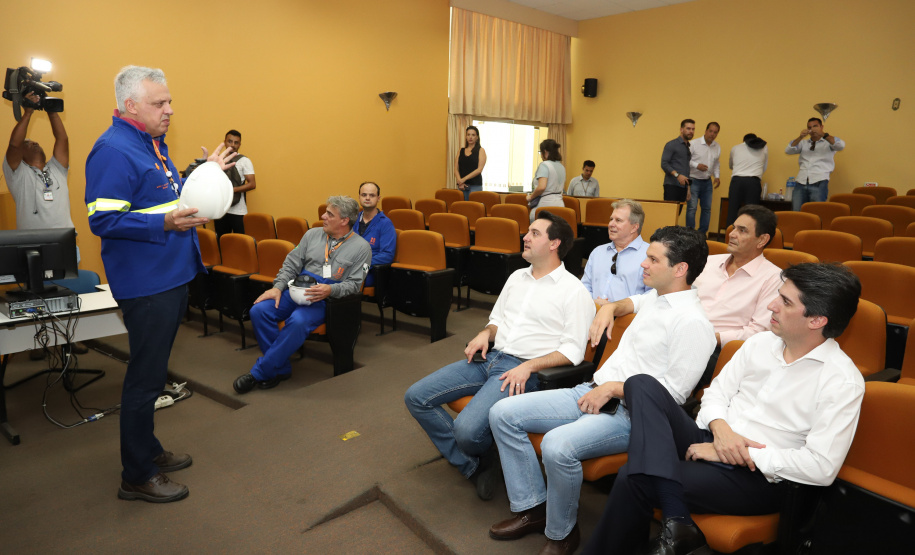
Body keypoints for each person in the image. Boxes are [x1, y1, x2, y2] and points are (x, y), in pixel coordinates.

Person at [582, 263, 864, 555]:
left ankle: (673, 523)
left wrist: (734, 453)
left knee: (634, 476)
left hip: (758, 477)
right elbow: (714, 395)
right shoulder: (759, 343)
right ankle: (678, 521)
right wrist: (722, 431)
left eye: (785, 301)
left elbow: (821, 467)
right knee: (640, 384)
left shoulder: (841, 380)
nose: (772, 305)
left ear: (816, 320)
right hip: (712, 439)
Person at [488, 226, 715, 555]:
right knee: (502, 413)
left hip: (631, 416)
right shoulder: (656, 297)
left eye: (652, 259)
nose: (642, 264)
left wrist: (612, 388)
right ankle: (533, 508)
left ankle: (561, 532)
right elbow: (631, 302)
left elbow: (672, 397)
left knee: (556, 446)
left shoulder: (693, 323)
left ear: (680, 270)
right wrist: (610, 307)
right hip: (590, 389)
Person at [86, 65, 237, 503]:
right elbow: (104, 219)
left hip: (169, 275)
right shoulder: (113, 150)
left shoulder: (149, 143)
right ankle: (136, 474)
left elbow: (165, 197)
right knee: (145, 380)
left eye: (169, 101)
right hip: (147, 282)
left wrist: (203, 174)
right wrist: (167, 222)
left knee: (153, 375)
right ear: (131, 105)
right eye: (160, 103)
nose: (170, 109)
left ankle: (147, 450)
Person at [404, 212, 594, 501]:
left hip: (522, 370)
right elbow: (497, 320)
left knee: (467, 432)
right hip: (491, 358)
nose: (525, 237)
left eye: (534, 233)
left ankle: (483, 449)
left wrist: (529, 366)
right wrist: (485, 333)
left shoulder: (574, 291)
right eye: (527, 232)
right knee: (416, 396)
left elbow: (573, 352)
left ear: (554, 243)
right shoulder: (518, 276)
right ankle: (475, 464)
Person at [233, 196, 371, 393]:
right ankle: (279, 368)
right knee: (259, 311)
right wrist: (277, 287)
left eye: (329, 214)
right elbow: (291, 264)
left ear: (344, 220)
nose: (323, 216)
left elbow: (355, 285)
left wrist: (331, 289)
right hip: (297, 289)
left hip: (327, 299)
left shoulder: (361, 248)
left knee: (298, 321)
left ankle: (260, 372)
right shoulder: (312, 235)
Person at [693, 205, 782, 385]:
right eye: (733, 228)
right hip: (684, 334)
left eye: (742, 230)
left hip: (722, 350)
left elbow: (759, 333)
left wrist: (712, 337)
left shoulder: (773, 278)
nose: (732, 234)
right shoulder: (708, 262)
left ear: (762, 240)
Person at [3, 91, 74, 230]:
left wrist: (51, 111)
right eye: (27, 143)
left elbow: (62, 139)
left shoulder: (57, 168)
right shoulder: (17, 174)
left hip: (65, 243)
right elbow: (14, 145)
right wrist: (28, 113)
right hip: (32, 244)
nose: (34, 143)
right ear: (20, 155)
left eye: (36, 142)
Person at [581, 199, 651, 305]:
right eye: (611, 219)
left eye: (618, 220)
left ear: (634, 227)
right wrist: (592, 305)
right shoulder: (598, 252)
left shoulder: (650, 255)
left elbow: (652, 296)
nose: (611, 224)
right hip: (594, 315)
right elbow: (584, 287)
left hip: (629, 320)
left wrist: (615, 308)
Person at [786, 118, 846, 211]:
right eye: (810, 127)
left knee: (816, 212)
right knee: (796, 212)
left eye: (815, 126)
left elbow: (840, 145)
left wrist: (822, 134)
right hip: (801, 182)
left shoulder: (828, 142)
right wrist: (800, 137)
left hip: (819, 181)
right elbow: (788, 150)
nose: (813, 129)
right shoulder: (803, 143)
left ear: (821, 127)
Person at [214, 129, 256, 237]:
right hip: (221, 209)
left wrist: (233, 190)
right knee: (221, 241)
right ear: (224, 142)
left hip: (238, 210)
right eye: (230, 141)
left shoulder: (244, 161)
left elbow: (252, 184)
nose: (232, 145)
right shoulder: (218, 159)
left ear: (240, 144)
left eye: (236, 142)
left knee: (240, 242)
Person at [354, 181, 396, 287]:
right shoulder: (352, 220)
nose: (367, 198)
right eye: (364, 195)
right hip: (350, 265)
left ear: (378, 198)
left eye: (372, 195)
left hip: (369, 270)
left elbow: (387, 255)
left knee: (338, 280)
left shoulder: (385, 223)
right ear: (359, 197)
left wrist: (362, 263)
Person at [727, 133, 768, 226]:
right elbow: (764, 167)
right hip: (753, 182)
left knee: (732, 211)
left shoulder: (735, 148)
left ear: (743, 141)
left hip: (737, 181)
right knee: (751, 213)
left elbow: (731, 165)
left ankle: (729, 237)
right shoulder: (764, 147)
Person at [687, 123, 721, 236]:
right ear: (706, 131)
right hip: (693, 180)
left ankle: (702, 235)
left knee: (707, 209)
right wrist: (697, 166)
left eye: (715, 132)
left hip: (707, 182)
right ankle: (690, 234)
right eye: (710, 131)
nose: (712, 134)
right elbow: (686, 160)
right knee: (692, 208)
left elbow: (716, 163)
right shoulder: (693, 144)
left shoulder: (717, 147)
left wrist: (716, 176)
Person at [527, 139, 566, 222]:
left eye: (540, 152)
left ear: (545, 152)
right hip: (560, 204)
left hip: (545, 204)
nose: (541, 155)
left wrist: (531, 197)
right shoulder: (561, 167)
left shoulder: (544, 165)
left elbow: (541, 187)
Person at [661, 119, 695, 206]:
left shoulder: (688, 147)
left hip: (683, 188)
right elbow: (664, 164)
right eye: (688, 128)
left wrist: (688, 189)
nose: (691, 131)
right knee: (669, 215)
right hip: (672, 186)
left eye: (693, 129)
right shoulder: (672, 144)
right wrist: (677, 175)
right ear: (681, 129)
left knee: (676, 216)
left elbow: (686, 169)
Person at [454, 125, 486, 201]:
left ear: (477, 137)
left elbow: (479, 170)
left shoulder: (481, 150)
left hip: (475, 186)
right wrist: (460, 182)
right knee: (461, 209)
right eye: (468, 135)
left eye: (473, 135)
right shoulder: (460, 150)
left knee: (473, 210)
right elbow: (455, 169)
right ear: (466, 137)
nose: (470, 137)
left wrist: (463, 179)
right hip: (462, 186)